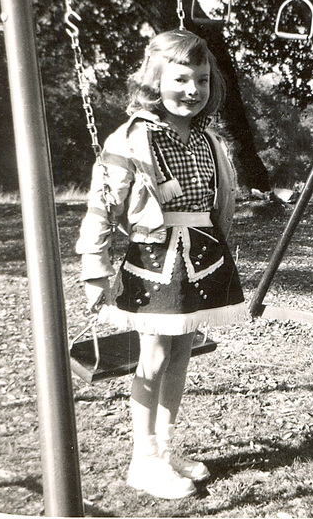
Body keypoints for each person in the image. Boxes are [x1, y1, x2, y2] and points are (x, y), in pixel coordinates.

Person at [76, 29, 248, 499]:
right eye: (181, 79)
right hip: (155, 258)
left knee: (180, 355)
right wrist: (94, 268)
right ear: (155, 80)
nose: (193, 90)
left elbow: (220, 202)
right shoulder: (131, 138)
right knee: (151, 357)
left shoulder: (210, 139)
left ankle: (166, 450)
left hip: (202, 258)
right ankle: (143, 459)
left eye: (202, 80)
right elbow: (101, 207)